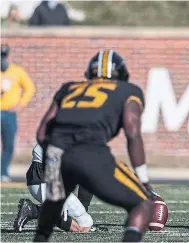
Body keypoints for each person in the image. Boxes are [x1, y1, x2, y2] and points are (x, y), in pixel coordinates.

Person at [33, 50, 155, 242]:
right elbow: (132, 133)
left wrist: (53, 161)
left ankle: (39, 238)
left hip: (55, 155)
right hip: (89, 153)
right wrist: (143, 179)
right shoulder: (129, 91)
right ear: (121, 74)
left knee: (53, 203)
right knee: (145, 203)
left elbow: (42, 132)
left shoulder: (69, 88)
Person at [13, 143, 94, 233]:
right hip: (44, 179)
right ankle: (33, 210)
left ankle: (34, 210)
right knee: (85, 224)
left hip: (37, 177)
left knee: (78, 226)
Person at [1, 44, 36, 182]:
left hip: (9, 113)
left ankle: (2, 172)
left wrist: (21, 104)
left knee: (8, 144)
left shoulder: (17, 71)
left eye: (4, 56)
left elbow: (30, 88)